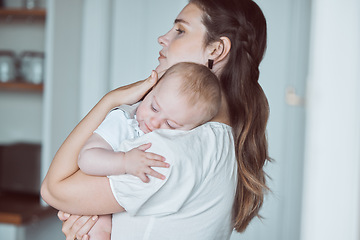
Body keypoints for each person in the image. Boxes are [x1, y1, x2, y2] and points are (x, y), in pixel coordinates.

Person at [41, 0, 270, 239]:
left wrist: (111, 99)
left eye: (180, 30)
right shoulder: (217, 138)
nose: (163, 38)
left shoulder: (171, 148)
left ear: (216, 50)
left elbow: (53, 189)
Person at [77, 62, 221, 240]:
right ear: (149, 92)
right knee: (99, 229)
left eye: (170, 124)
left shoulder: (181, 147)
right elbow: (86, 158)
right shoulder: (124, 122)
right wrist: (124, 161)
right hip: (90, 198)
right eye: (154, 108)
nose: (154, 122)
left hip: (119, 208)